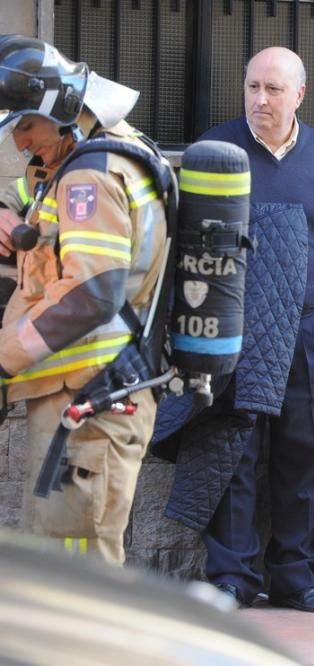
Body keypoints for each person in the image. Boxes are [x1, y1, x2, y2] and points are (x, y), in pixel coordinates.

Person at [156, 46, 314, 613]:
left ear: (300, 93)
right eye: (252, 87)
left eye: (273, 89)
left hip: (305, 330)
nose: (260, 99)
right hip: (231, 331)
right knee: (233, 453)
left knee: (301, 455)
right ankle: (232, 577)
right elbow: (183, 246)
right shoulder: (216, 153)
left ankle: (296, 576)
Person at [0, 35, 168, 563]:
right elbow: (30, 200)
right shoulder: (79, 158)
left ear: (62, 107)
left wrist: (4, 357)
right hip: (81, 398)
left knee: (80, 568)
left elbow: (92, 293)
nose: (20, 143)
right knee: (59, 556)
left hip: (94, 397)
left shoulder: (91, 177)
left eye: (25, 125)